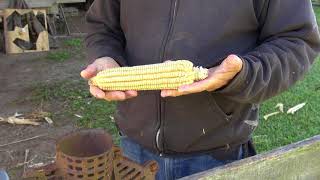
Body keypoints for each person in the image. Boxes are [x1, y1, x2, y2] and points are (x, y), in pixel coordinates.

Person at [81, 0, 320, 179]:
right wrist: (106, 57)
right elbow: (103, 26)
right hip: (133, 146)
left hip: (215, 153)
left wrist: (242, 74)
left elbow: (296, 40)